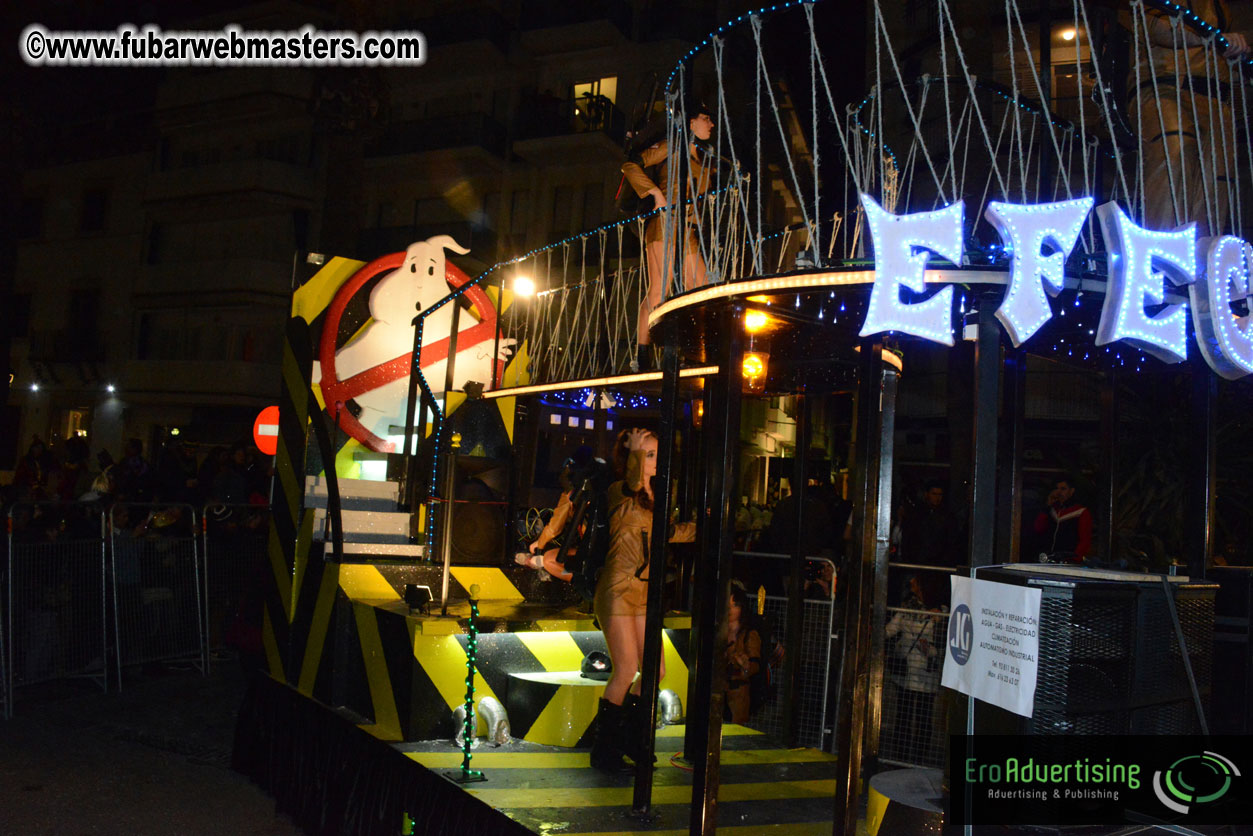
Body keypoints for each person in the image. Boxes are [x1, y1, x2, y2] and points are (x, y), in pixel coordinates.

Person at [590, 427, 694, 773]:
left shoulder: (656, 498)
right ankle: (604, 752)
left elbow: (668, 534)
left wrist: (707, 525)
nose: (653, 460)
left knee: (656, 670)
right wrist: (634, 450)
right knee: (627, 670)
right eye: (648, 454)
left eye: (655, 453)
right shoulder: (620, 491)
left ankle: (632, 742)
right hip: (618, 589)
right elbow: (633, 481)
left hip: (644, 593)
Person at [1132, 1, 1250, 236]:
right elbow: (1157, 29)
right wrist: (1217, 39)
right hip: (1166, 87)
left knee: (1218, 178)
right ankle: (1164, 251)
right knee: (1175, 153)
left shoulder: (1221, 7)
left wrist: (1236, 42)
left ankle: (1201, 255)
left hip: (1216, 98)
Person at [621, 103, 715, 370]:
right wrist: (654, 193)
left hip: (689, 229)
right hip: (666, 223)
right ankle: (641, 355)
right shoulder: (673, 146)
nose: (711, 124)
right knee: (660, 289)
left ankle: (690, 351)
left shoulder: (706, 159)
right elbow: (631, 165)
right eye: (705, 118)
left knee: (700, 285)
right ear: (691, 123)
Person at [884, 574, 944, 755]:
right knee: (909, 711)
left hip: (922, 668)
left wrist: (930, 650)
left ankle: (906, 751)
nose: (913, 589)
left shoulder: (939, 613)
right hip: (915, 668)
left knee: (914, 712)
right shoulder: (926, 612)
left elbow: (942, 641)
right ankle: (912, 751)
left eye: (915, 585)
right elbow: (890, 630)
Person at [724, 582, 764, 724]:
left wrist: (744, 665)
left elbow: (755, 665)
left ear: (742, 608)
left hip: (738, 695)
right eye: (727, 604)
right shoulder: (718, 632)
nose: (730, 609)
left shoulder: (749, 634)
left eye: (735, 605)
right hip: (717, 692)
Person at [1032, 476, 1093, 562]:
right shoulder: (1051, 509)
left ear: (1071, 491)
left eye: (1063, 489)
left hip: (1068, 560)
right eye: (1057, 489)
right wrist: (1047, 506)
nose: (1059, 492)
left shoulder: (1081, 512)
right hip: (1047, 558)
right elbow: (1038, 528)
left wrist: (1075, 558)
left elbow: (1085, 540)